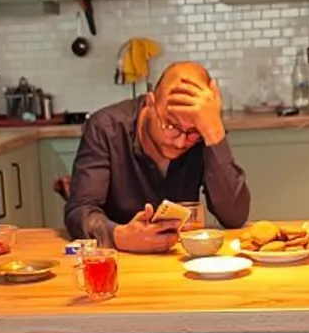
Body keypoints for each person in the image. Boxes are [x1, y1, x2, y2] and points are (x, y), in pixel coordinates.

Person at [65, 61, 250, 252]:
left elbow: (234, 216)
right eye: (170, 126)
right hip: (119, 260)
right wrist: (119, 236)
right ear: (151, 103)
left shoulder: (205, 130)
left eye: (192, 132)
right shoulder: (105, 128)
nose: (180, 143)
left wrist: (214, 130)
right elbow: (80, 211)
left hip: (182, 259)